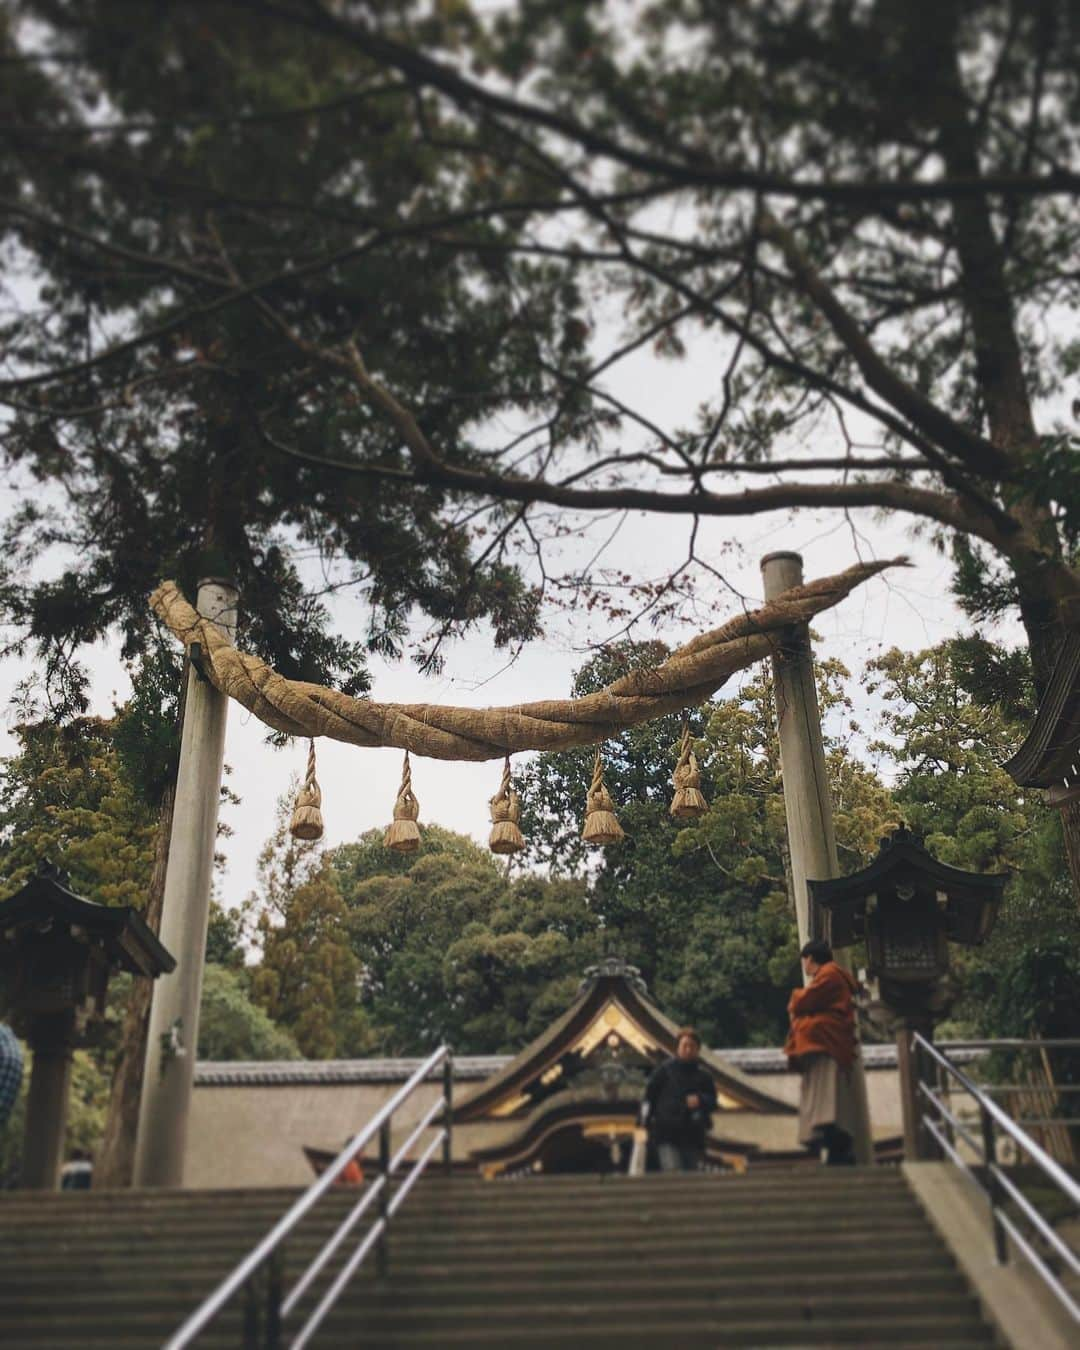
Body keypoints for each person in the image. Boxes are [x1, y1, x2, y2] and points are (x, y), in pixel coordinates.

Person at [785, 939, 859, 1166]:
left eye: (805, 961)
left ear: (810, 959)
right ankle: (836, 1148)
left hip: (825, 1043)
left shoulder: (829, 975)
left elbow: (801, 1002)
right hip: (824, 1043)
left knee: (824, 1105)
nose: (805, 967)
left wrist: (796, 1003)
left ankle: (840, 1148)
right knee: (822, 1104)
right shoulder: (832, 975)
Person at [642, 1027, 717, 1172]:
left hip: (693, 1136)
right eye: (684, 1045)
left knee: (692, 1176)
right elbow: (648, 1096)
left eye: (692, 1046)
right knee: (673, 1172)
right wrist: (644, 1122)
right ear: (677, 1048)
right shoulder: (664, 1072)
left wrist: (700, 1100)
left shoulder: (704, 1076)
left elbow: (714, 1102)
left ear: (697, 1050)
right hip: (666, 1134)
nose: (688, 1049)